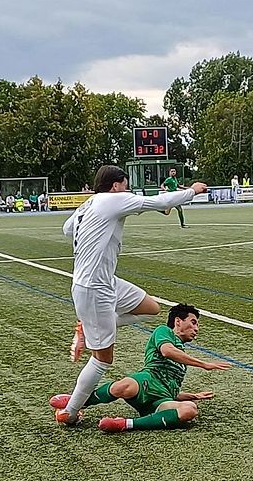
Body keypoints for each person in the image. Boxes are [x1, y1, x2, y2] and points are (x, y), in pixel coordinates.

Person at [56, 164, 207, 426]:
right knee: (102, 360)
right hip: (93, 288)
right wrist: (191, 191)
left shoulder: (89, 204)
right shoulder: (113, 200)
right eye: (124, 185)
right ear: (115, 185)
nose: (126, 190)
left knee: (151, 307)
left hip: (106, 282)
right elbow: (156, 200)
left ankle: (87, 328)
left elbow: (68, 229)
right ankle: (70, 413)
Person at [50, 303, 230, 431]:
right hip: (146, 383)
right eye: (193, 322)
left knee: (189, 410)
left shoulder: (181, 354)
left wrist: (194, 396)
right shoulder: (164, 332)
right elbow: (167, 351)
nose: (196, 328)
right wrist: (204, 364)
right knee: (124, 386)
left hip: (159, 400)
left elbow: (170, 390)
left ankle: (124, 424)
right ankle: (76, 401)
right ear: (177, 321)